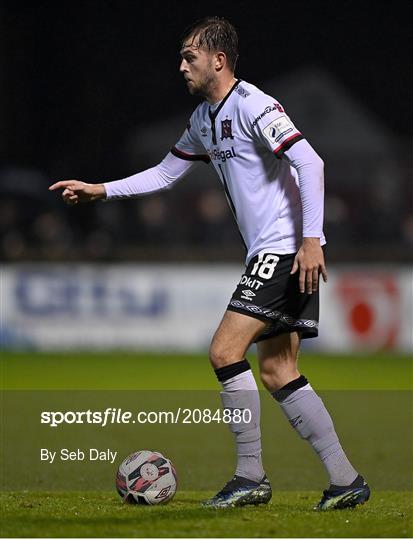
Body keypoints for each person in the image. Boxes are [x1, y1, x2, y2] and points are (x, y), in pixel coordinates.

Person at [49, 16, 370, 510]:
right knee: (279, 371)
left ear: (218, 60)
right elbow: (164, 173)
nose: (181, 66)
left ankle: (250, 476)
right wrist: (101, 190)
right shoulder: (204, 119)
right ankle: (346, 480)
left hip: (283, 249)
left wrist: (312, 240)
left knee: (224, 352)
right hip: (274, 249)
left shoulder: (254, 105)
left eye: (189, 56)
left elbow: (311, 161)